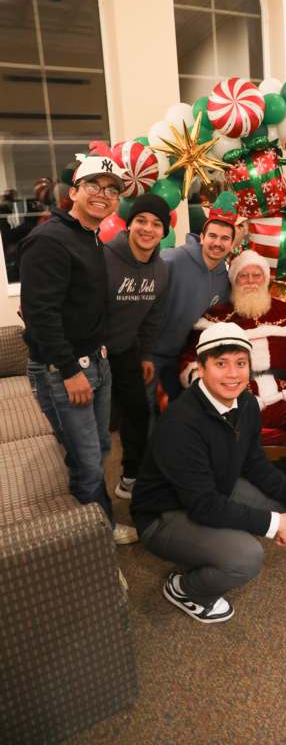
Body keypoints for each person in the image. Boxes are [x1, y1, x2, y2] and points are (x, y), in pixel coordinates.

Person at [131, 322, 286, 624]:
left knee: (278, 506)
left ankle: (212, 544)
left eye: (240, 363)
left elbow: (254, 461)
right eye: (221, 364)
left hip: (210, 488)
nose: (233, 374)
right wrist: (273, 525)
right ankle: (185, 589)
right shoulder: (181, 424)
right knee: (247, 557)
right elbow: (203, 505)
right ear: (201, 369)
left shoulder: (244, 402)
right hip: (162, 514)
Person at [18, 154, 137, 544]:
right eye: (93, 186)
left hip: (95, 361)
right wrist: (69, 371)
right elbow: (40, 313)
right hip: (66, 369)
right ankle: (97, 543)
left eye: (111, 189)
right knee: (88, 459)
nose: (103, 194)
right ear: (73, 192)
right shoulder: (49, 239)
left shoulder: (88, 237)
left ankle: (85, 526)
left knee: (100, 447)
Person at [178, 250, 286, 496]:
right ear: (234, 281)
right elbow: (190, 358)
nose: (251, 281)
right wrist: (205, 384)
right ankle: (220, 485)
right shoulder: (215, 317)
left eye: (257, 275)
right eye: (243, 276)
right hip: (234, 397)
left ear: (266, 279)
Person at [104, 193, 169, 500]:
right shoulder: (103, 257)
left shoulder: (161, 270)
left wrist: (145, 354)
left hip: (126, 350)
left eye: (157, 224)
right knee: (98, 425)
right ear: (128, 225)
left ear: (164, 232)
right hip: (92, 353)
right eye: (141, 220)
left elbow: (152, 318)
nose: (148, 228)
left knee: (138, 414)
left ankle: (130, 478)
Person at [152, 207, 236, 401]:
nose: (217, 243)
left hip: (180, 358)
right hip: (150, 353)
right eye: (212, 236)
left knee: (171, 414)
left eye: (224, 238)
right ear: (201, 237)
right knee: (143, 413)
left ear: (231, 244)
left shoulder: (224, 278)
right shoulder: (172, 259)